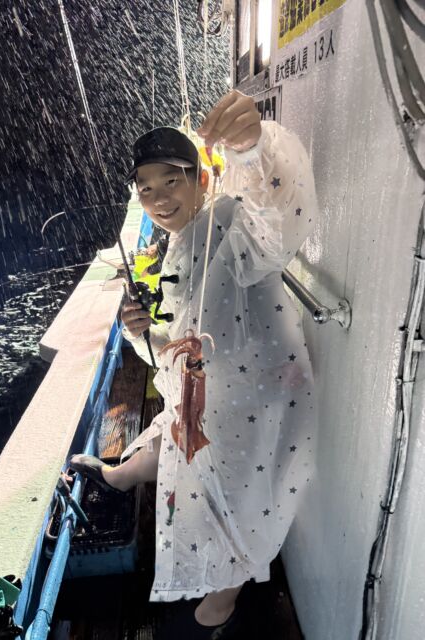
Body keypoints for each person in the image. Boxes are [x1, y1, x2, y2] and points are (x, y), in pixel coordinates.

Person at [70, 90, 318, 637]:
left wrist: (253, 150)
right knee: (172, 438)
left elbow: (275, 222)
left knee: (239, 508)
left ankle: (220, 608)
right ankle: (118, 477)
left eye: (172, 181)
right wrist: (142, 332)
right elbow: (179, 346)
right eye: (146, 188)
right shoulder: (182, 241)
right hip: (209, 395)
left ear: (203, 181)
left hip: (253, 403)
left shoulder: (226, 221)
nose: (158, 199)